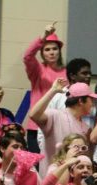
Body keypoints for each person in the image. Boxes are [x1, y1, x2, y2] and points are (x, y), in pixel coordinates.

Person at [22, 22, 66, 152]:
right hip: (36, 127)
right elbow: (27, 56)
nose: (51, 52)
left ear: (59, 51)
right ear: (42, 53)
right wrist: (43, 36)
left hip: (59, 126)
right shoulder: (38, 70)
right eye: (47, 49)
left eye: (54, 49)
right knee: (37, 167)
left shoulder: (67, 72)